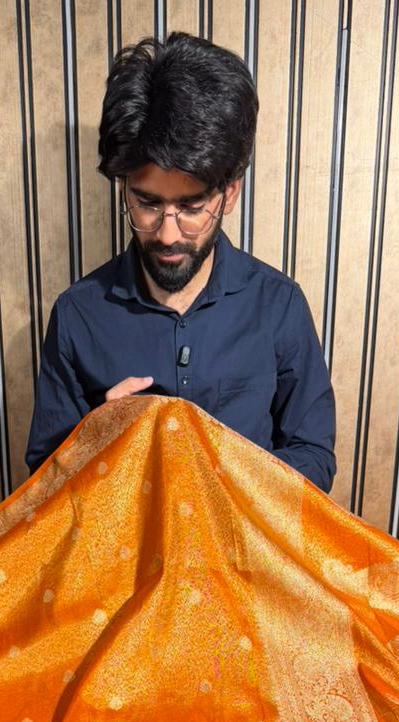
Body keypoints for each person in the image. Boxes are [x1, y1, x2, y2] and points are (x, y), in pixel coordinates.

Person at [25, 32, 337, 491]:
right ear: (123, 188)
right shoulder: (78, 314)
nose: (168, 234)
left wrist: (220, 477)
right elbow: (43, 480)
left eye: (191, 207)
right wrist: (98, 442)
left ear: (229, 193)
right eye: (147, 203)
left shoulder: (278, 305)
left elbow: (314, 457)